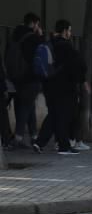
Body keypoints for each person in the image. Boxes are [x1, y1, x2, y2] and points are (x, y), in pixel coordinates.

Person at [32, 20, 86, 155]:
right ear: (64, 31)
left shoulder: (50, 43)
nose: (70, 33)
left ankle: (39, 142)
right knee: (63, 116)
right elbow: (77, 65)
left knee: (54, 115)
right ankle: (63, 146)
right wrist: (82, 80)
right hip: (64, 87)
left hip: (49, 87)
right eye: (69, 30)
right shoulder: (66, 46)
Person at [5, 12, 43, 148]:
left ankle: (34, 136)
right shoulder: (33, 38)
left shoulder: (14, 35)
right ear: (33, 23)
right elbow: (41, 54)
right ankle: (18, 137)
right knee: (26, 106)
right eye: (37, 24)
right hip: (30, 78)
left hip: (15, 78)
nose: (38, 26)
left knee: (26, 105)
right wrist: (40, 35)